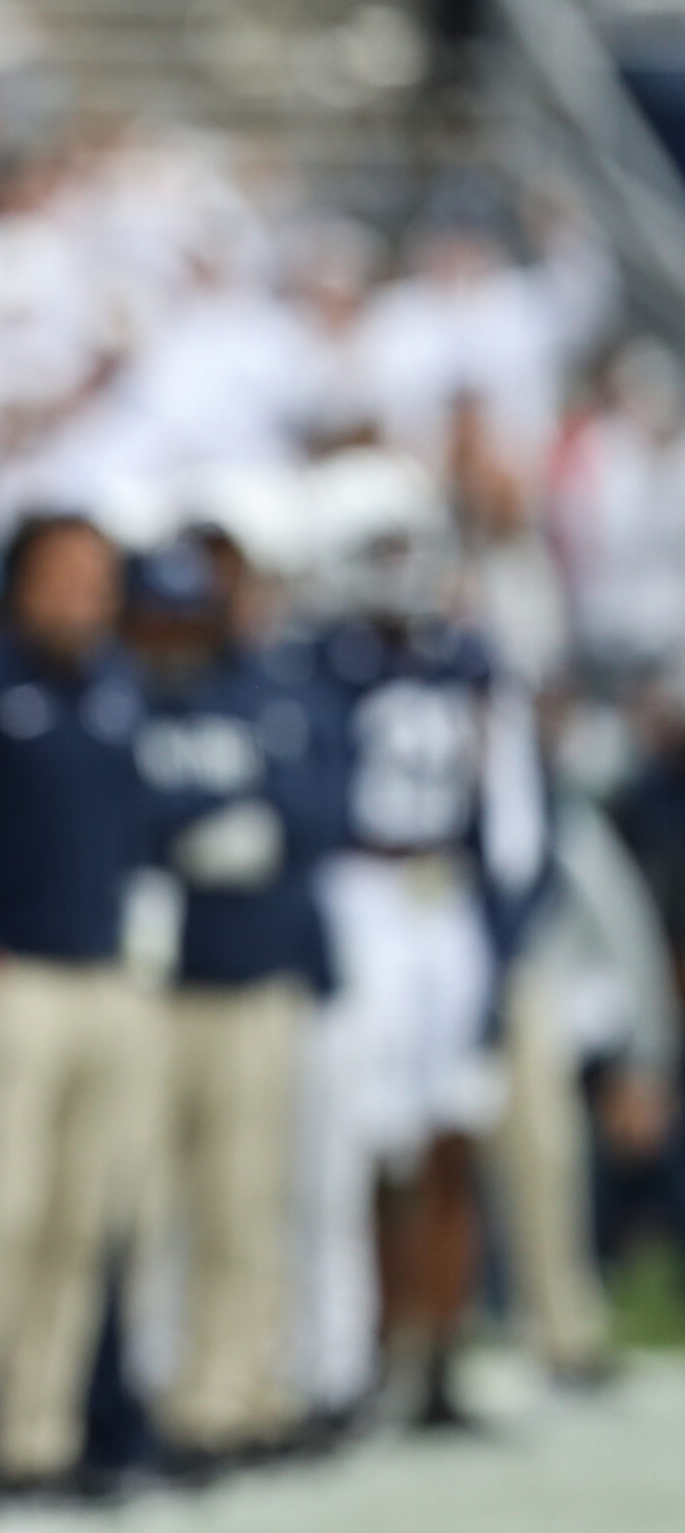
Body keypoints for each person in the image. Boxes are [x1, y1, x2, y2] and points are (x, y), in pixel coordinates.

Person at [0, 511, 155, 1501]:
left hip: (100, 977)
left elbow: (135, 828)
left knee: (79, 1219)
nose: (80, 597)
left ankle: (37, 1434)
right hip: (1, 990)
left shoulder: (114, 688)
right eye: (61, 577)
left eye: (96, 578)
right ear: (19, 582)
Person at [293, 447, 548, 1431]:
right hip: (364, 890)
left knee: (451, 1133)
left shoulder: (468, 657)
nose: (400, 563)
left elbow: (512, 810)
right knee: (361, 1145)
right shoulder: (320, 661)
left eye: (408, 542)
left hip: (446, 903)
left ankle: (437, 1356)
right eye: (380, 544)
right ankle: (356, 1353)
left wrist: (502, 930)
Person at [122, 541, 337, 1466]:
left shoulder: (265, 693)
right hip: (152, 990)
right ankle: (156, 1397)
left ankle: (238, 1394)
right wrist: (185, 830)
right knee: (143, 1206)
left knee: (246, 1203)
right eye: (158, 618)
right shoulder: (120, 697)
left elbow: (323, 809)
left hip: (252, 981)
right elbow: (102, 812)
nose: (174, 637)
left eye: (188, 618)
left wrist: (259, 825)